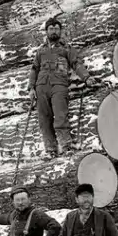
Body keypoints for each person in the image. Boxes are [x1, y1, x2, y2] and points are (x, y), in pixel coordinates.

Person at [28, 17, 100, 157]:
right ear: (47, 31)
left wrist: (86, 78)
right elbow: (34, 69)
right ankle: (50, 150)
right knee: (44, 119)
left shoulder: (67, 48)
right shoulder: (40, 51)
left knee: (61, 116)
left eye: (56, 28)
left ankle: (66, 146)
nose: (54, 31)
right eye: (51, 28)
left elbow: (76, 63)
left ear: (60, 31)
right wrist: (31, 88)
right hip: (41, 87)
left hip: (59, 86)